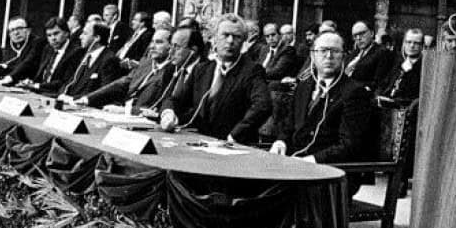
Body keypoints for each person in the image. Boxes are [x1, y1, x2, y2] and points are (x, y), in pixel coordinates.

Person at [161, 13, 271, 143]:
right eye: (225, 35)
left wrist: (234, 135)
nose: (230, 41)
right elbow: (176, 100)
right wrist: (168, 113)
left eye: (237, 37)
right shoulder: (201, 69)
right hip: (198, 142)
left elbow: (262, 106)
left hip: (232, 146)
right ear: (214, 39)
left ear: (243, 42)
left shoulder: (252, 71)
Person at [270, 31, 376, 163]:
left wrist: (313, 160)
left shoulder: (355, 92)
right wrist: (281, 142)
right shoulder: (303, 87)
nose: (329, 56)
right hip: (294, 162)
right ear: (312, 55)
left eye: (335, 51)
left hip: (330, 170)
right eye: (323, 50)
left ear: (343, 56)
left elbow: (349, 145)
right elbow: (289, 127)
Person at [84, 27, 175, 111]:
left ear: (171, 46)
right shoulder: (145, 63)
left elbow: (155, 108)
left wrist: (125, 111)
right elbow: (122, 84)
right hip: (121, 110)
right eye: (152, 41)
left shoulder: (171, 71)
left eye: (159, 42)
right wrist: (87, 99)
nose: (152, 46)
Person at [56, 23, 121, 101]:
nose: (80, 37)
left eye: (85, 33)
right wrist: (61, 95)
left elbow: (104, 92)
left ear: (97, 38)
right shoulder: (85, 55)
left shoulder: (109, 59)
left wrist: (72, 99)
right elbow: (71, 82)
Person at [22, 18, 84, 92]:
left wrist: (36, 86)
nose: (53, 38)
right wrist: (31, 82)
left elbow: (63, 82)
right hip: (39, 90)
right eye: (49, 35)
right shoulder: (48, 48)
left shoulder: (76, 52)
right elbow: (41, 74)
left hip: (55, 94)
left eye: (56, 34)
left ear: (67, 33)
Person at [377, 27, 424, 107]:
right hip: (385, 104)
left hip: (404, 108)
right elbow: (385, 83)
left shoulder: (423, 66)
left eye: (416, 43)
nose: (412, 46)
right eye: (408, 42)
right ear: (404, 44)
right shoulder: (398, 62)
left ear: (422, 46)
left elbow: (416, 96)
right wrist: (378, 95)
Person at [0, 16, 45, 84]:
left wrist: (9, 78)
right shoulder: (10, 48)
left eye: (19, 28)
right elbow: (6, 67)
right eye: (12, 30)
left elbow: (27, 63)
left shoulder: (37, 43)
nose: (16, 33)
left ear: (28, 31)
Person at [344, 21, 390, 86]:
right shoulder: (354, 53)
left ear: (372, 33)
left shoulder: (382, 52)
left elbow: (378, 82)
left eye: (361, 34)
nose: (358, 38)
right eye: (355, 36)